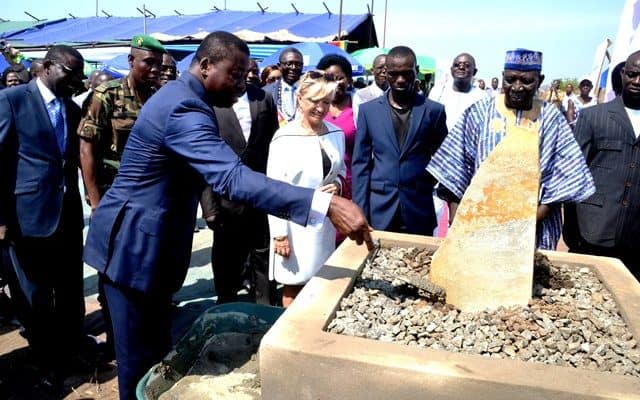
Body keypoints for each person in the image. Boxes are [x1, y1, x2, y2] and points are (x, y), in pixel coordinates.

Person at [82, 31, 372, 399]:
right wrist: (326, 204)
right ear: (204, 66)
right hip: (132, 250)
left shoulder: (189, 99)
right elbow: (231, 177)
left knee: (156, 357)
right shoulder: (183, 107)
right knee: (139, 365)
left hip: (150, 248)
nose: (242, 82)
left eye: (245, 74)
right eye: (234, 74)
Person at [427, 48, 595, 250]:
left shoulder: (552, 120)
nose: (517, 87)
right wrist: (457, 218)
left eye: (526, 81)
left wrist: (523, 223)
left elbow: (564, 182)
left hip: (533, 227)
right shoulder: (479, 113)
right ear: (502, 77)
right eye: (510, 80)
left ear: (539, 81)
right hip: (477, 224)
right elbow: (453, 170)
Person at [0, 45, 89, 392]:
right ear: (48, 67)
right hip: (27, 217)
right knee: (34, 294)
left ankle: (69, 352)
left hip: (66, 216)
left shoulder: (69, 108)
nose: (76, 81)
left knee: (69, 290)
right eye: (71, 72)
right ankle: (44, 359)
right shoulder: (12, 100)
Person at [78, 34, 165, 363]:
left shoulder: (159, 97)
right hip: (114, 195)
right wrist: (96, 200)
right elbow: (86, 148)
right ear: (131, 62)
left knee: (146, 269)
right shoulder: (107, 94)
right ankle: (117, 340)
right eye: (148, 62)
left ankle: (145, 337)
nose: (154, 69)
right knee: (112, 271)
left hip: (151, 199)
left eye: (159, 63)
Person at [199, 65, 280, 305]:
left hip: (260, 195)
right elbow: (203, 159)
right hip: (225, 199)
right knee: (227, 257)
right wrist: (209, 207)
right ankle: (226, 305)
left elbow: (272, 146)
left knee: (263, 253)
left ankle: (264, 307)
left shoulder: (262, 97)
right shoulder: (211, 102)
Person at [267, 70, 346, 307]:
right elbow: (273, 189)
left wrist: (338, 185)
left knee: (321, 283)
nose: (320, 108)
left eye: (326, 102)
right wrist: (279, 234)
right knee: (294, 284)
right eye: (314, 101)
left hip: (324, 225)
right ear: (300, 98)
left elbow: (340, 170)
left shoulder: (336, 133)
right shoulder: (284, 137)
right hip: (293, 226)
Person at [352, 46, 448, 236]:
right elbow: (360, 164)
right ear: (386, 73)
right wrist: (359, 210)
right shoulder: (368, 111)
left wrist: (424, 181)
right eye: (395, 74)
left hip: (418, 207)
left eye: (406, 74)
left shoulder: (433, 111)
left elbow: (443, 158)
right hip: (379, 208)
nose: (401, 80)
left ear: (416, 71)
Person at [563, 50, 640, 281]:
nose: (638, 81)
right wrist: (572, 231)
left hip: (636, 239)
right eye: (633, 74)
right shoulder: (594, 117)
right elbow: (573, 176)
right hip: (592, 233)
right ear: (623, 74)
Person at [428, 53, 488, 237]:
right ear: (452, 69)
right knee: (435, 212)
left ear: (474, 71)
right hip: (439, 162)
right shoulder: (438, 92)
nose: (461, 67)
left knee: (463, 217)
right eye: (457, 64)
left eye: (466, 65)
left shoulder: (483, 97)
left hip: (468, 165)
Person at [317, 54, 356, 201]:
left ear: (349, 79)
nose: (336, 83)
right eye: (330, 78)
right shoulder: (314, 108)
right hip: (320, 185)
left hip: (350, 185)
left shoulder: (359, 108)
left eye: (340, 78)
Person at [264, 47, 304, 125]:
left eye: (298, 64)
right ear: (279, 66)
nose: (293, 67)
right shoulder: (266, 92)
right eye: (289, 64)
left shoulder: (311, 90)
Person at [352, 53, 387, 125]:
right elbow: (359, 124)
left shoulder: (397, 95)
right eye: (380, 67)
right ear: (372, 71)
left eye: (387, 68)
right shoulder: (361, 95)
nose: (384, 71)